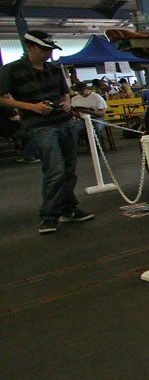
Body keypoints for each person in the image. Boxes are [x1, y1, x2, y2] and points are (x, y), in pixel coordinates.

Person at [0, 30, 94, 233]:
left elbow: (64, 93)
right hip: (39, 124)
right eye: (44, 49)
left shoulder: (54, 69)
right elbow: (2, 98)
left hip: (64, 121)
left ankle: (68, 209)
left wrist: (66, 102)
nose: (49, 53)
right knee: (55, 169)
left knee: (69, 168)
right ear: (30, 47)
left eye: (50, 49)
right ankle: (49, 215)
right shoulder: (11, 70)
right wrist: (31, 107)